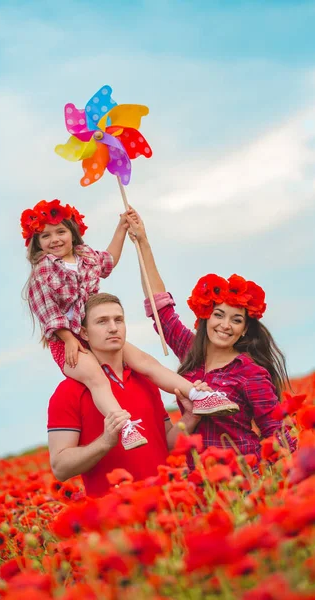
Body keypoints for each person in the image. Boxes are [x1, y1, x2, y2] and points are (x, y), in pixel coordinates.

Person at [22, 199, 239, 451]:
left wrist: (123, 227)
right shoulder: (43, 271)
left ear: (73, 233)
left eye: (61, 231)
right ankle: (124, 425)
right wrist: (69, 339)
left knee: (146, 362)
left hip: (96, 332)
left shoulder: (86, 257)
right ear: (36, 243)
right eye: (45, 235)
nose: (55, 239)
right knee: (96, 378)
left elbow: (109, 261)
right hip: (68, 342)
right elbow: (47, 310)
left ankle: (197, 395)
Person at [126, 210, 296, 463]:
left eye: (236, 320)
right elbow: (160, 308)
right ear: (206, 317)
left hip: (243, 476)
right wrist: (143, 243)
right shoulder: (190, 350)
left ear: (245, 329)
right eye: (219, 315)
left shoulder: (250, 372)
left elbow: (276, 432)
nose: (225, 325)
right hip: (202, 478)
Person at [47, 293, 202, 497]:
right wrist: (106, 441)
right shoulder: (69, 392)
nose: (113, 328)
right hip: (118, 519)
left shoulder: (146, 380)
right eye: (102, 321)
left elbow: (165, 444)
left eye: (118, 320)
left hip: (168, 504)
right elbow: (60, 468)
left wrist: (191, 417)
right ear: (84, 333)